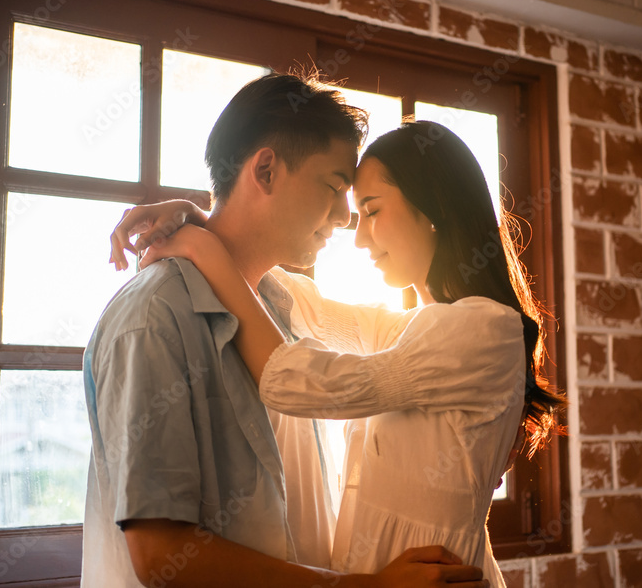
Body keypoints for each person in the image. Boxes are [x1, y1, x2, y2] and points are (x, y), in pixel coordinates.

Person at [113, 120, 566, 588]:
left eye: (371, 211)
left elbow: (300, 382)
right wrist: (204, 222)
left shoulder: (480, 329)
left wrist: (203, 249)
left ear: (433, 206)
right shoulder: (410, 331)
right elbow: (305, 305)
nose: (360, 238)